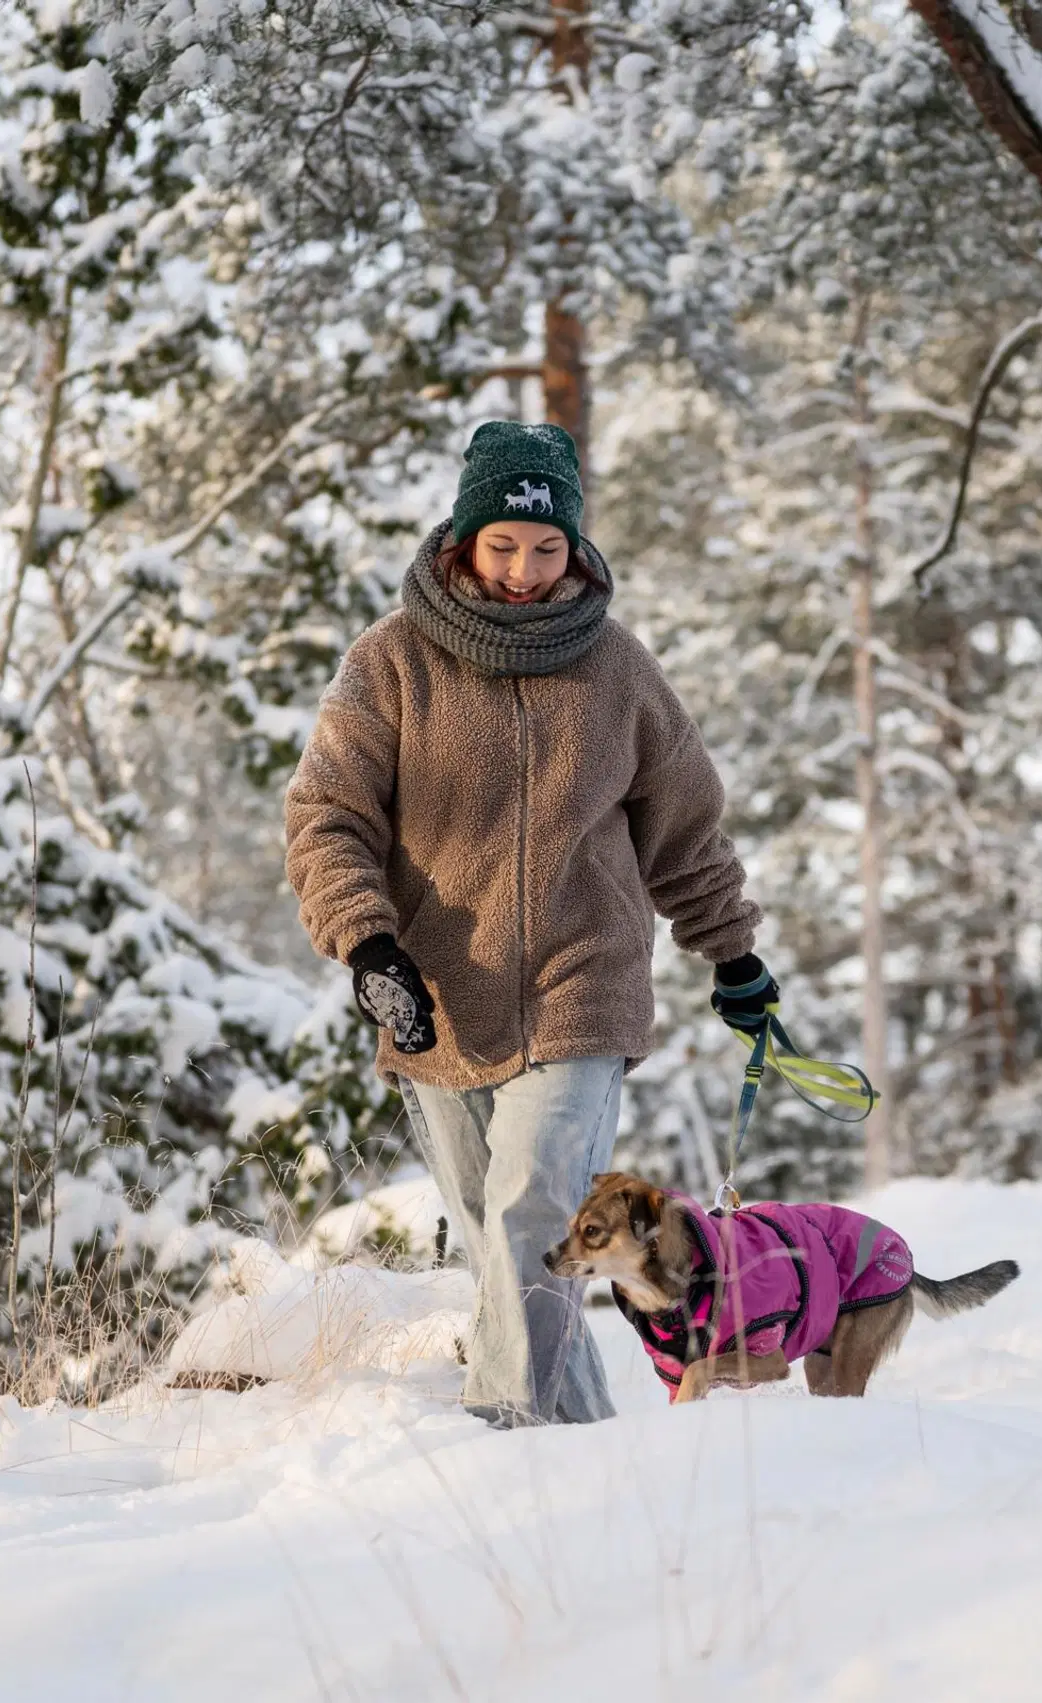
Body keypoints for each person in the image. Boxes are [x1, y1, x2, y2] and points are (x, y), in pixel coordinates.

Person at [284, 420, 779, 1426]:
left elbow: (685, 834)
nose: (523, 568)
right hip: (436, 997)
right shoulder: (391, 665)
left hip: (583, 985)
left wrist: (733, 954)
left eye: (546, 547)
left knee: (537, 1213)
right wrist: (369, 943)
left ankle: (501, 1448)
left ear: (577, 549)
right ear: (464, 538)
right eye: (503, 544)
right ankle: (592, 1460)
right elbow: (326, 816)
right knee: (508, 1250)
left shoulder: (618, 671)